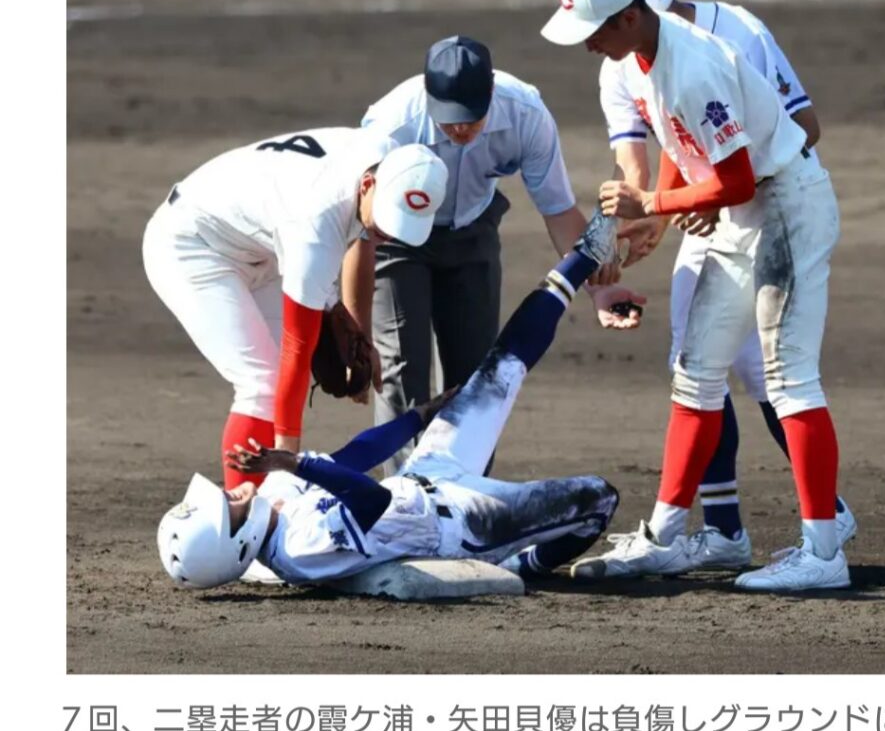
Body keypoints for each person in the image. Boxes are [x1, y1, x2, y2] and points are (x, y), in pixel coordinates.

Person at [541, 0, 850, 591]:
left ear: (631, 16)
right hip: (748, 213)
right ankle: (664, 535)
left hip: (787, 206)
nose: (589, 43)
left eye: (596, 29)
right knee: (696, 373)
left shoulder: (693, 65)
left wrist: (649, 204)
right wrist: (661, 210)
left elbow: (734, 180)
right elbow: (686, 148)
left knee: (788, 376)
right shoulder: (639, 57)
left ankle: (824, 552)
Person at [156, 212, 642, 590]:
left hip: (428, 473)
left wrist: (418, 417)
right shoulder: (302, 553)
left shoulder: (270, 500)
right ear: (235, 543)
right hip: (459, 524)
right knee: (598, 498)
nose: (230, 492)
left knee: (496, 371)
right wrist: (293, 461)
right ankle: (525, 562)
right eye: (226, 507)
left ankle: (584, 254)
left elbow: (356, 458)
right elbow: (373, 497)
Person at [357, 35, 623, 475]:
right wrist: (356, 322)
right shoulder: (391, 127)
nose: (460, 129)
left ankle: (464, 492)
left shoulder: (526, 115)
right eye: (449, 120)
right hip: (396, 240)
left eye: (472, 118)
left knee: (477, 377)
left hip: (473, 233)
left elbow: (558, 210)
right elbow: (360, 229)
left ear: (492, 93)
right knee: (402, 371)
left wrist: (599, 290)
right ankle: (404, 499)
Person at [143, 127, 447, 490]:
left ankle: (262, 512)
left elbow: (342, 243)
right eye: (385, 219)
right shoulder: (317, 220)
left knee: (275, 386)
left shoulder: (390, 160)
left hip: (261, 246)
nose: (388, 234)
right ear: (367, 185)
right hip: (191, 246)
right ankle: (242, 523)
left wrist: (346, 320)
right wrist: (289, 460)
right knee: (262, 383)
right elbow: (297, 349)